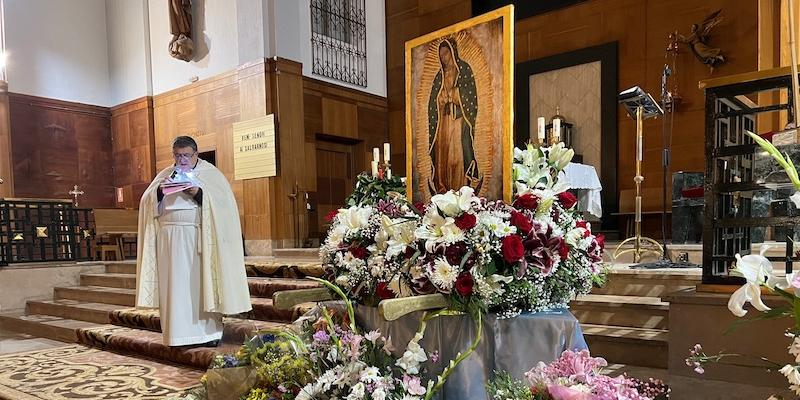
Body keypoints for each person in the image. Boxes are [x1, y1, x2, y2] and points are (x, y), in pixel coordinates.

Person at [135, 136, 251, 347]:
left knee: (198, 287)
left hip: (197, 240)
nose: (182, 160)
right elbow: (146, 200)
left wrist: (198, 193)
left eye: (186, 155)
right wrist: (160, 192)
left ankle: (207, 335)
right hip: (168, 243)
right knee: (174, 288)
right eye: (177, 155)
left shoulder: (211, 175)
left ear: (196, 154)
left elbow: (223, 206)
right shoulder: (164, 174)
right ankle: (177, 335)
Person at [427, 37, 482, 195]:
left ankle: (461, 189)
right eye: (441, 54)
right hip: (443, 121)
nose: (443, 57)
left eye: (446, 53)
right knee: (442, 156)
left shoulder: (464, 70)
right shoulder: (440, 76)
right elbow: (433, 101)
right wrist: (441, 99)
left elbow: (471, 96)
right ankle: (443, 189)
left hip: (458, 120)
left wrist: (454, 94)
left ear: (453, 52)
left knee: (456, 157)